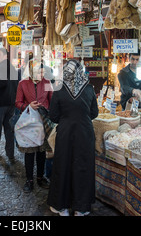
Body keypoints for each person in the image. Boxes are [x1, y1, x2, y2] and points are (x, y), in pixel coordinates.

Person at [47, 59, 98, 216]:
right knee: (83, 167)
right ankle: (81, 208)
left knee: (63, 167)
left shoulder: (59, 89)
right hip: (85, 133)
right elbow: (94, 113)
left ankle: (62, 207)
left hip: (66, 134)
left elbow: (53, 116)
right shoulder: (89, 89)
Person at [15, 60, 53, 192]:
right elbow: (17, 102)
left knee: (42, 151)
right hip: (29, 122)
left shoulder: (47, 83)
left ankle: (40, 178)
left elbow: (52, 100)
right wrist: (28, 106)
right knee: (29, 151)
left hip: (43, 121)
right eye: (38, 71)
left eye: (43, 71)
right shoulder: (22, 83)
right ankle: (29, 180)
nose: (41, 74)